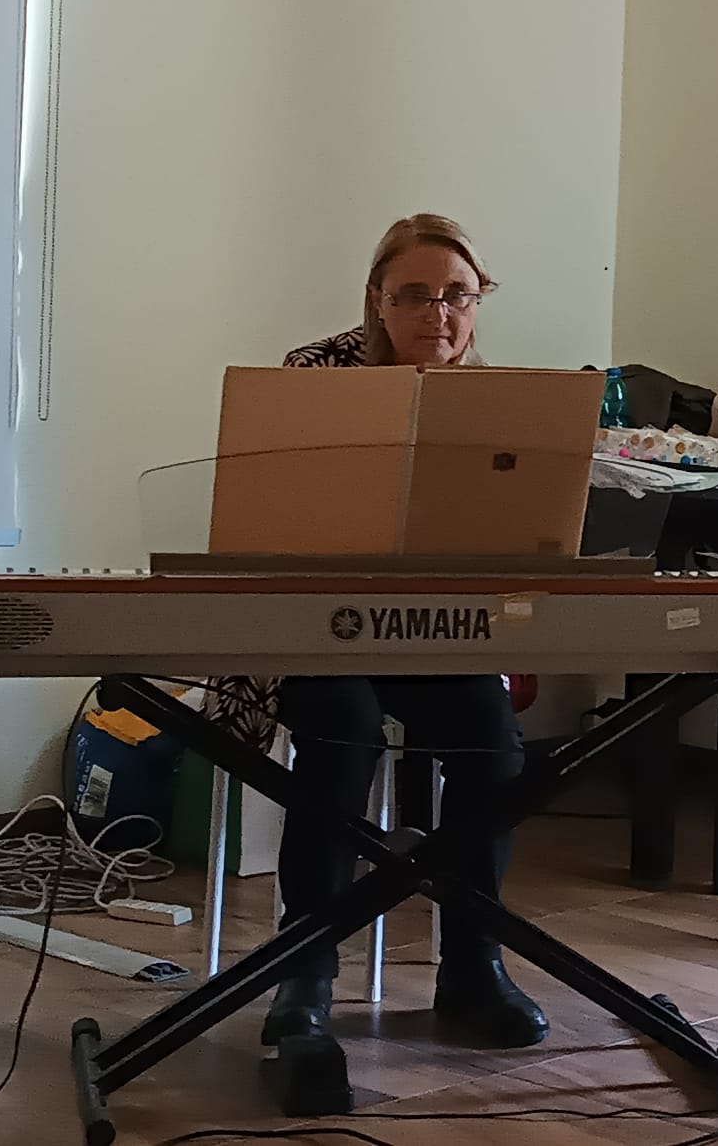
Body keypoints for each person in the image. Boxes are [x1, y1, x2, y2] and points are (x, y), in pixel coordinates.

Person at [259, 213, 549, 1050]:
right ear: (377, 302)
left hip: (438, 632)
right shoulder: (315, 375)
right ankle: (306, 970)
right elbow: (281, 516)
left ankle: (474, 968)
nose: (439, 313)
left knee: (491, 735)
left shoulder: (499, 402)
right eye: (415, 295)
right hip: (320, 627)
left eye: (458, 295)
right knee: (341, 725)